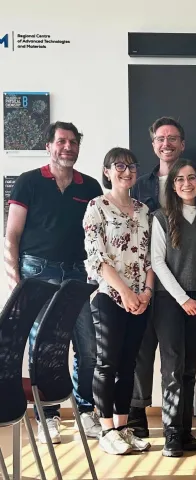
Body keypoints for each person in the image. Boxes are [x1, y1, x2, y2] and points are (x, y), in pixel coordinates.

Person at [5, 121, 103, 444]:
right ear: (49, 146)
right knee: (44, 349)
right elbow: (12, 235)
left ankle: (85, 411)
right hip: (37, 271)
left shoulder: (90, 187)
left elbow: (97, 236)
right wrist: (15, 279)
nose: (67, 147)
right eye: (61, 141)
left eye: (73, 142)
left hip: (77, 273)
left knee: (88, 347)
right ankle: (48, 418)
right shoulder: (28, 182)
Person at [128, 116, 196, 437]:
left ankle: (180, 430)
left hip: (184, 285)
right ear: (153, 144)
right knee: (143, 355)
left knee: (179, 363)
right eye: (160, 139)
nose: (166, 144)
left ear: (182, 143)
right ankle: (136, 420)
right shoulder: (140, 185)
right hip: (143, 284)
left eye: (173, 138)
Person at [84, 147, 154, 455]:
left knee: (129, 366)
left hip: (140, 299)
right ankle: (107, 430)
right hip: (109, 297)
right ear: (107, 171)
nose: (127, 171)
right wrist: (125, 293)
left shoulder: (143, 210)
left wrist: (146, 293)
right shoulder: (97, 206)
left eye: (132, 166)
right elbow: (97, 258)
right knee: (107, 363)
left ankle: (123, 428)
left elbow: (150, 258)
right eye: (120, 166)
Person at [150, 159, 196, 457]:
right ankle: (172, 435)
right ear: (173, 186)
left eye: (192, 178)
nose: (186, 183)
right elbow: (157, 262)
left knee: (189, 368)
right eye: (180, 179)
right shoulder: (161, 217)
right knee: (173, 368)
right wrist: (183, 299)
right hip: (170, 301)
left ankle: (186, 431)